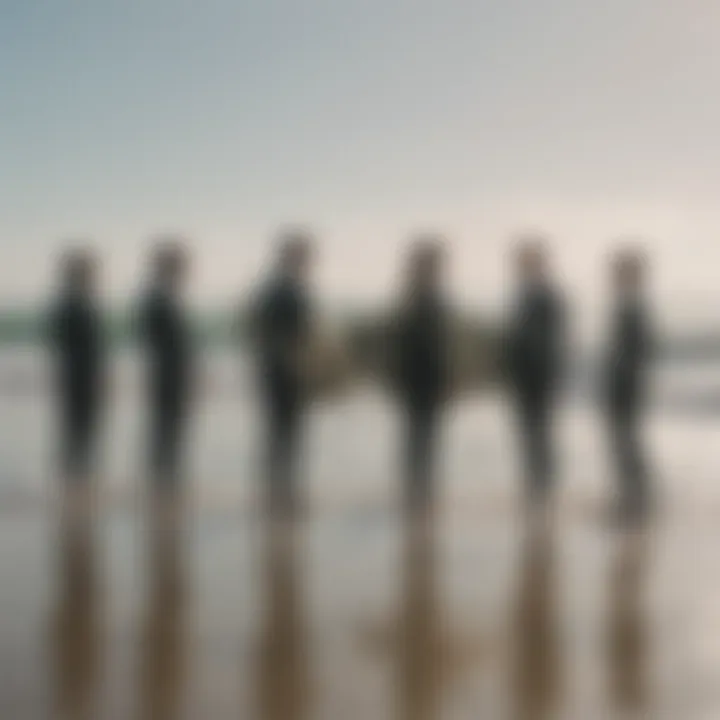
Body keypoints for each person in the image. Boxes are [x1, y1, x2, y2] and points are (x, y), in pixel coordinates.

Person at [251, 230, 314, 516]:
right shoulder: (278, 290)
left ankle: (283, 493)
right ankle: (279, 497)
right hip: (281, 375)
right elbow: (265, 333)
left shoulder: (287, 289)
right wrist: (288, 358)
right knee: (282, 436)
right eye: (302, 255)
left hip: (289, 374)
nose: (306, 261)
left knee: (288, 436)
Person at [503, 236, 565, 514]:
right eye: (520, 263)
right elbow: (517, 341)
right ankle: (536, 486)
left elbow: (550, 340)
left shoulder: (547, 297)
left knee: (540, 433)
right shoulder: (524, 298)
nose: (521, 268)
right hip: (525, 379)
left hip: (540, 378)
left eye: (526, 262)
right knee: (529, 433)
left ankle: (543, 489)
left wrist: (547, 373)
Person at [391, 237, 451, 514]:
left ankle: (420, 492)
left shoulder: (422, 297)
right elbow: (411, 343)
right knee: (419, 437)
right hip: (418, 378)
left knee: (424, 438)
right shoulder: (416, 298)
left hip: (426, 378)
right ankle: (417, 494)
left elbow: (438, 343)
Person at [137, 239, 193, 489]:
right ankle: (161, 482)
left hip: (173, 374)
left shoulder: (167, 297)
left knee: (171, 428)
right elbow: (156, 340)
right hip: (166, 374)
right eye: (179, 265)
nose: (184, 270)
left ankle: (167, 479)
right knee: (164, 428)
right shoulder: (156, 298)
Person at [48, 248, 105, 487]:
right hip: (76, 378)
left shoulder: (79, 304)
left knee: (83, 431)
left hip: (83, 377)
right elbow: (63, 343)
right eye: (87, 271)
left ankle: (78, 479)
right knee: (76, 431)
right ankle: (73, 482)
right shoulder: (70, 305)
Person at [603, 248, 652, 523]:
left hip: (627, 388)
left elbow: (633, 354)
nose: (613, 278)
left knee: (626, 443)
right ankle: (632, 500)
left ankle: (634, 504)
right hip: (624, 387)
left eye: (618, 273)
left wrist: (623, 381)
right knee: (624, 443)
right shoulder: (627, 307)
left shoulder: (633, 309)